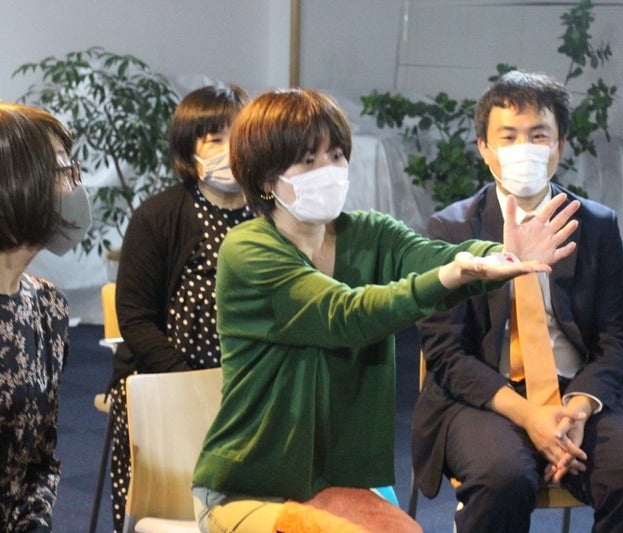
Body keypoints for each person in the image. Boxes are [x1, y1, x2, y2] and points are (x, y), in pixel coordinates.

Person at [190, 87, 581, 532]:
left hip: (333, 481)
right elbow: (343, 314)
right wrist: (451, 275)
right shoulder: (247, 249)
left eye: (337, 155)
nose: (328, 170)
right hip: (249, 486)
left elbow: (433, 256)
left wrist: (497, 254)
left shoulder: (369, 234)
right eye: (308, 161)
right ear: (265, 179)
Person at [411, 70, 623, 532]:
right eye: (508, 137)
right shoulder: (452, 229)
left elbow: (618, 337)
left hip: (574, 392)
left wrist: (579, 407)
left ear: (560, 146)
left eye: (538, 135)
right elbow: (446, 353)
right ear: (484, 148)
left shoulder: (594, 225)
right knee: (503, 479)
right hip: (484, 397)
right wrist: (530, 415)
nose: (523, 148)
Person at [108, 83, 250, 532]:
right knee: (168, 513)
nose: (230, 149)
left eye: (239, 136)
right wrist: (192, 385)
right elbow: (135, 319)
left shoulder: (271, 216)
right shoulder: (158, 215)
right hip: (167, 385)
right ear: (189, 151)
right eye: (215, 139)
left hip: (250, 391)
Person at [0, 103, 92, 530]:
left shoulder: (47, 306)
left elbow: (40, 461)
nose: (75, 184)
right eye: (62, 170)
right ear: (17, 183)